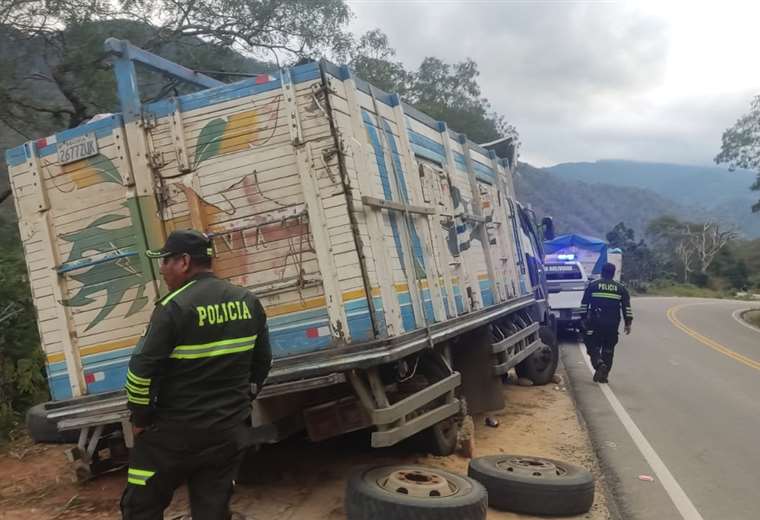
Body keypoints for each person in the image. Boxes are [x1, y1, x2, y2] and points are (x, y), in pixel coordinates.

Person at [121, 229, 272, 520]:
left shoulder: (172, 307)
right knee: (213, 509)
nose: (162, 269)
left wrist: (140, 419)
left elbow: (140, 373)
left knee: (141, 507)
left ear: (184, 261)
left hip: (171, 435)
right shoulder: (247, 301)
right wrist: (241, 404)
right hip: (227, 430)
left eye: (165, 261)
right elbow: (262, 364)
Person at [580, 262, 632, 383]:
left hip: (595, 323)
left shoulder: (593, 285)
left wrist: (582, 319)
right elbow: (626, 307)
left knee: (592, 345)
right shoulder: (621, 288)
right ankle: (604, 375)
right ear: (613, 274)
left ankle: (598, 364)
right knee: (609, 349)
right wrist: (628, 323)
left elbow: (584, 304)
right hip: (612, 324)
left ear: (602, 272)